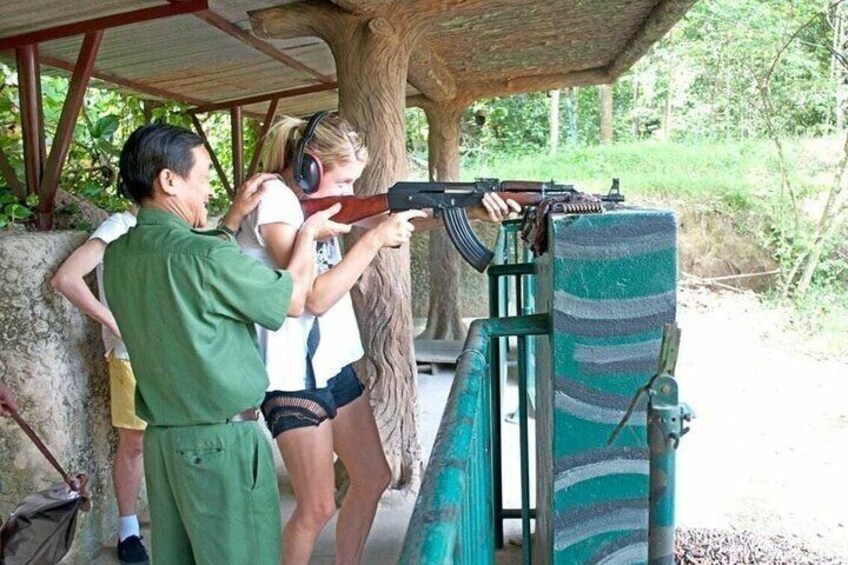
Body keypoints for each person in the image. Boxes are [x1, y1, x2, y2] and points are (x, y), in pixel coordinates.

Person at [238, 112, 520, 565]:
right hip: (292, 375)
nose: (351, 194)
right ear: (310, 167)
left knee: (372, 476)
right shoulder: (275, 200)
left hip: (331, 366)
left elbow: (391, 217)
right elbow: (310, 298)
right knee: (316, 505)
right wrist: (371, 244)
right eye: (345, 181)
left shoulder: (314, 201)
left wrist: (465, 208)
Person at [101, 123, 343, 565]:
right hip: (223, 445)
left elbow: (187, 274)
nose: (210, 190)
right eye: (205, 176)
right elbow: (292, 299)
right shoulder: (205, 257)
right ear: (169, 180)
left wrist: (231, 222)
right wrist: (307, 235)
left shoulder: (118, 254)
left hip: (163, 444)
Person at [52, 209, 154, 563]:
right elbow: (66, 279)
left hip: (175, 352)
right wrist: (114, 323)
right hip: (130, 355)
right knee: (135, 443)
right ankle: (128, 530)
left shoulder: (180, 224)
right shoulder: (120, 226)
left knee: (174, 438)